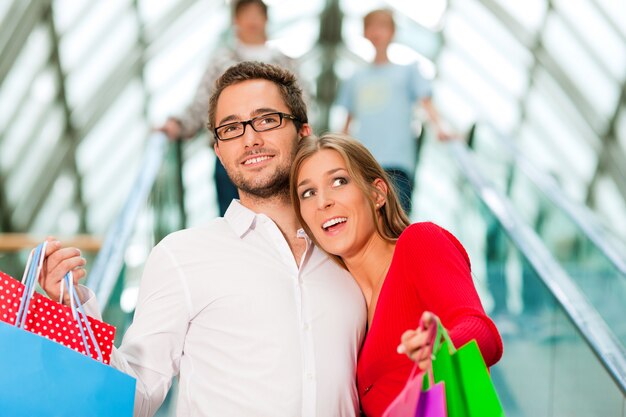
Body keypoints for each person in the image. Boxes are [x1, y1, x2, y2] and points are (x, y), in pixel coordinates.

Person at [42, 62, 367, 417]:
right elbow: (134, 397)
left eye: (266, 120)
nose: (250, 138)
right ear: (218, 151)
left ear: (303, 132)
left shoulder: (349, 259)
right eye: (231, 128)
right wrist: (70, 313)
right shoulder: (181, 256)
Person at [290, 133, 503, 417]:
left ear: (377, 193)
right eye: (308, 193)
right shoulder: (343, 305)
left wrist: (442, 345)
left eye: (339, 181)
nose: (323, 202)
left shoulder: (419, 242)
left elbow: (482, 331)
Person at [159, 0, 300, 216]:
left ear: (266, 19)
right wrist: (178, 125)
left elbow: (303, 103)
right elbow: (202, 102)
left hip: (277, 153)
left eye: (256, 14)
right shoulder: (221, 60)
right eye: (246, 14)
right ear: (236, 20)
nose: (252, 20)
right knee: (234, 220)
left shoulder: (285, 61)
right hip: (233, 156)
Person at [336, 8, 451, 215]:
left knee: (396, 221)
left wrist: (441, 128)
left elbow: (427, 102)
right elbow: (347, 122)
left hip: (398, 163)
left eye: (382, 27)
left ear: (392, 32)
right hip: (363, 163)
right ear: (364, 33)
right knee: (367, 221)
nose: (377, 32)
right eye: (371, 27)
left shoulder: (408, 71)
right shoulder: (355, 78)